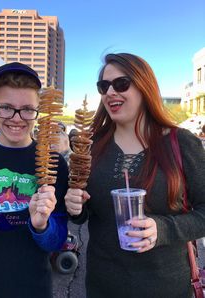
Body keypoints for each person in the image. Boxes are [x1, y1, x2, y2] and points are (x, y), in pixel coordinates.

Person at [64, 53, 205, 298]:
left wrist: (162, 229)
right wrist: (75, 206)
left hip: (166, 288)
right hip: (102, 286)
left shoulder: (181, 143)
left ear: (144, 87)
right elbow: (84, 214)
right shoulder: (91, 146)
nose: (110, 92)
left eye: (121, 84)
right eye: (104, 86)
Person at [0, 62, 68, 298]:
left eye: (27, 109)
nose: (17, 118)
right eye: (6, 108)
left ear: (38, 111)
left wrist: (43, 227)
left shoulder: (54, 164)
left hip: (33, 289)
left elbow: (57, 241)